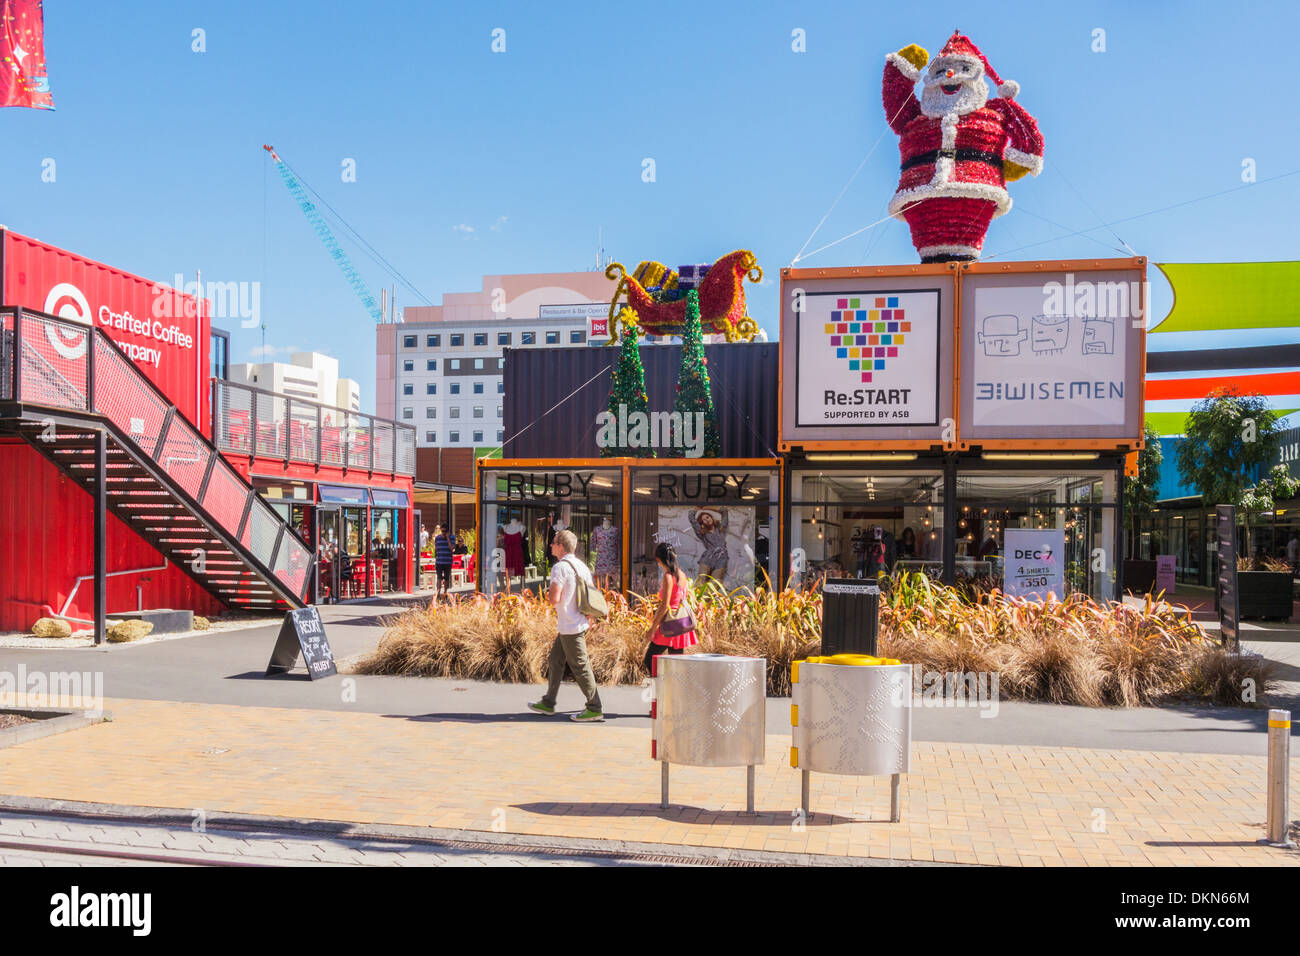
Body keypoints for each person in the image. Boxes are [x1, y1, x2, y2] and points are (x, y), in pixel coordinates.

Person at [528, 530, 603, 722]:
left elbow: (554, 598)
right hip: (577, 623)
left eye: (553, 542)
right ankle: (548, 702)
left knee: (580, 666)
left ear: (561, 546)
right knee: (555, 660)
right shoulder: (582, 566)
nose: (551, 546)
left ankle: (594, 707)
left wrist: (547, 594)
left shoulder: (560, 568)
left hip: (571, 625)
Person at [642, 542, 698, 675]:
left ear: (658, 560)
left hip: (669, 624)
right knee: (677, 667)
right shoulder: (681, 575)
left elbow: (665, 605)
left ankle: (659, 692)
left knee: (649, 661)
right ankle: (672, 693)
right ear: (675, 556)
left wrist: (653, 628)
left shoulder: (668, 577)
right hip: (680, 624)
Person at [689, 507, 729, 584]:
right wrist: (697, 509)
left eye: (707, 517)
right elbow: (691, 517)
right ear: (702, 523)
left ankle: (707, 596)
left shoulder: (721, 528)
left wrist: (706, 507)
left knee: (715, 584)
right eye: (704, 519)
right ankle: (699, 596)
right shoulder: (702, 532)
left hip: (721, 559)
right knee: (700, 582)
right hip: (707, 558)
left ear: (711, 517)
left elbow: (724, 511)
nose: (707, 520)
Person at [433, 524, 454, 597]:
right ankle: (438, 592)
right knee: (439, 577)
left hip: (447, 561)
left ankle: (445, 592)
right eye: (442, 531)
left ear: (448, 531)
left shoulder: (452, 537)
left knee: (446, 577)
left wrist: (448, 539)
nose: (443, 533)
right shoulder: (437, 538)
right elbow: (436, 549)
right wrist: (435, 559)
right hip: (439, 561)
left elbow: (452, 548)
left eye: (445, 531)